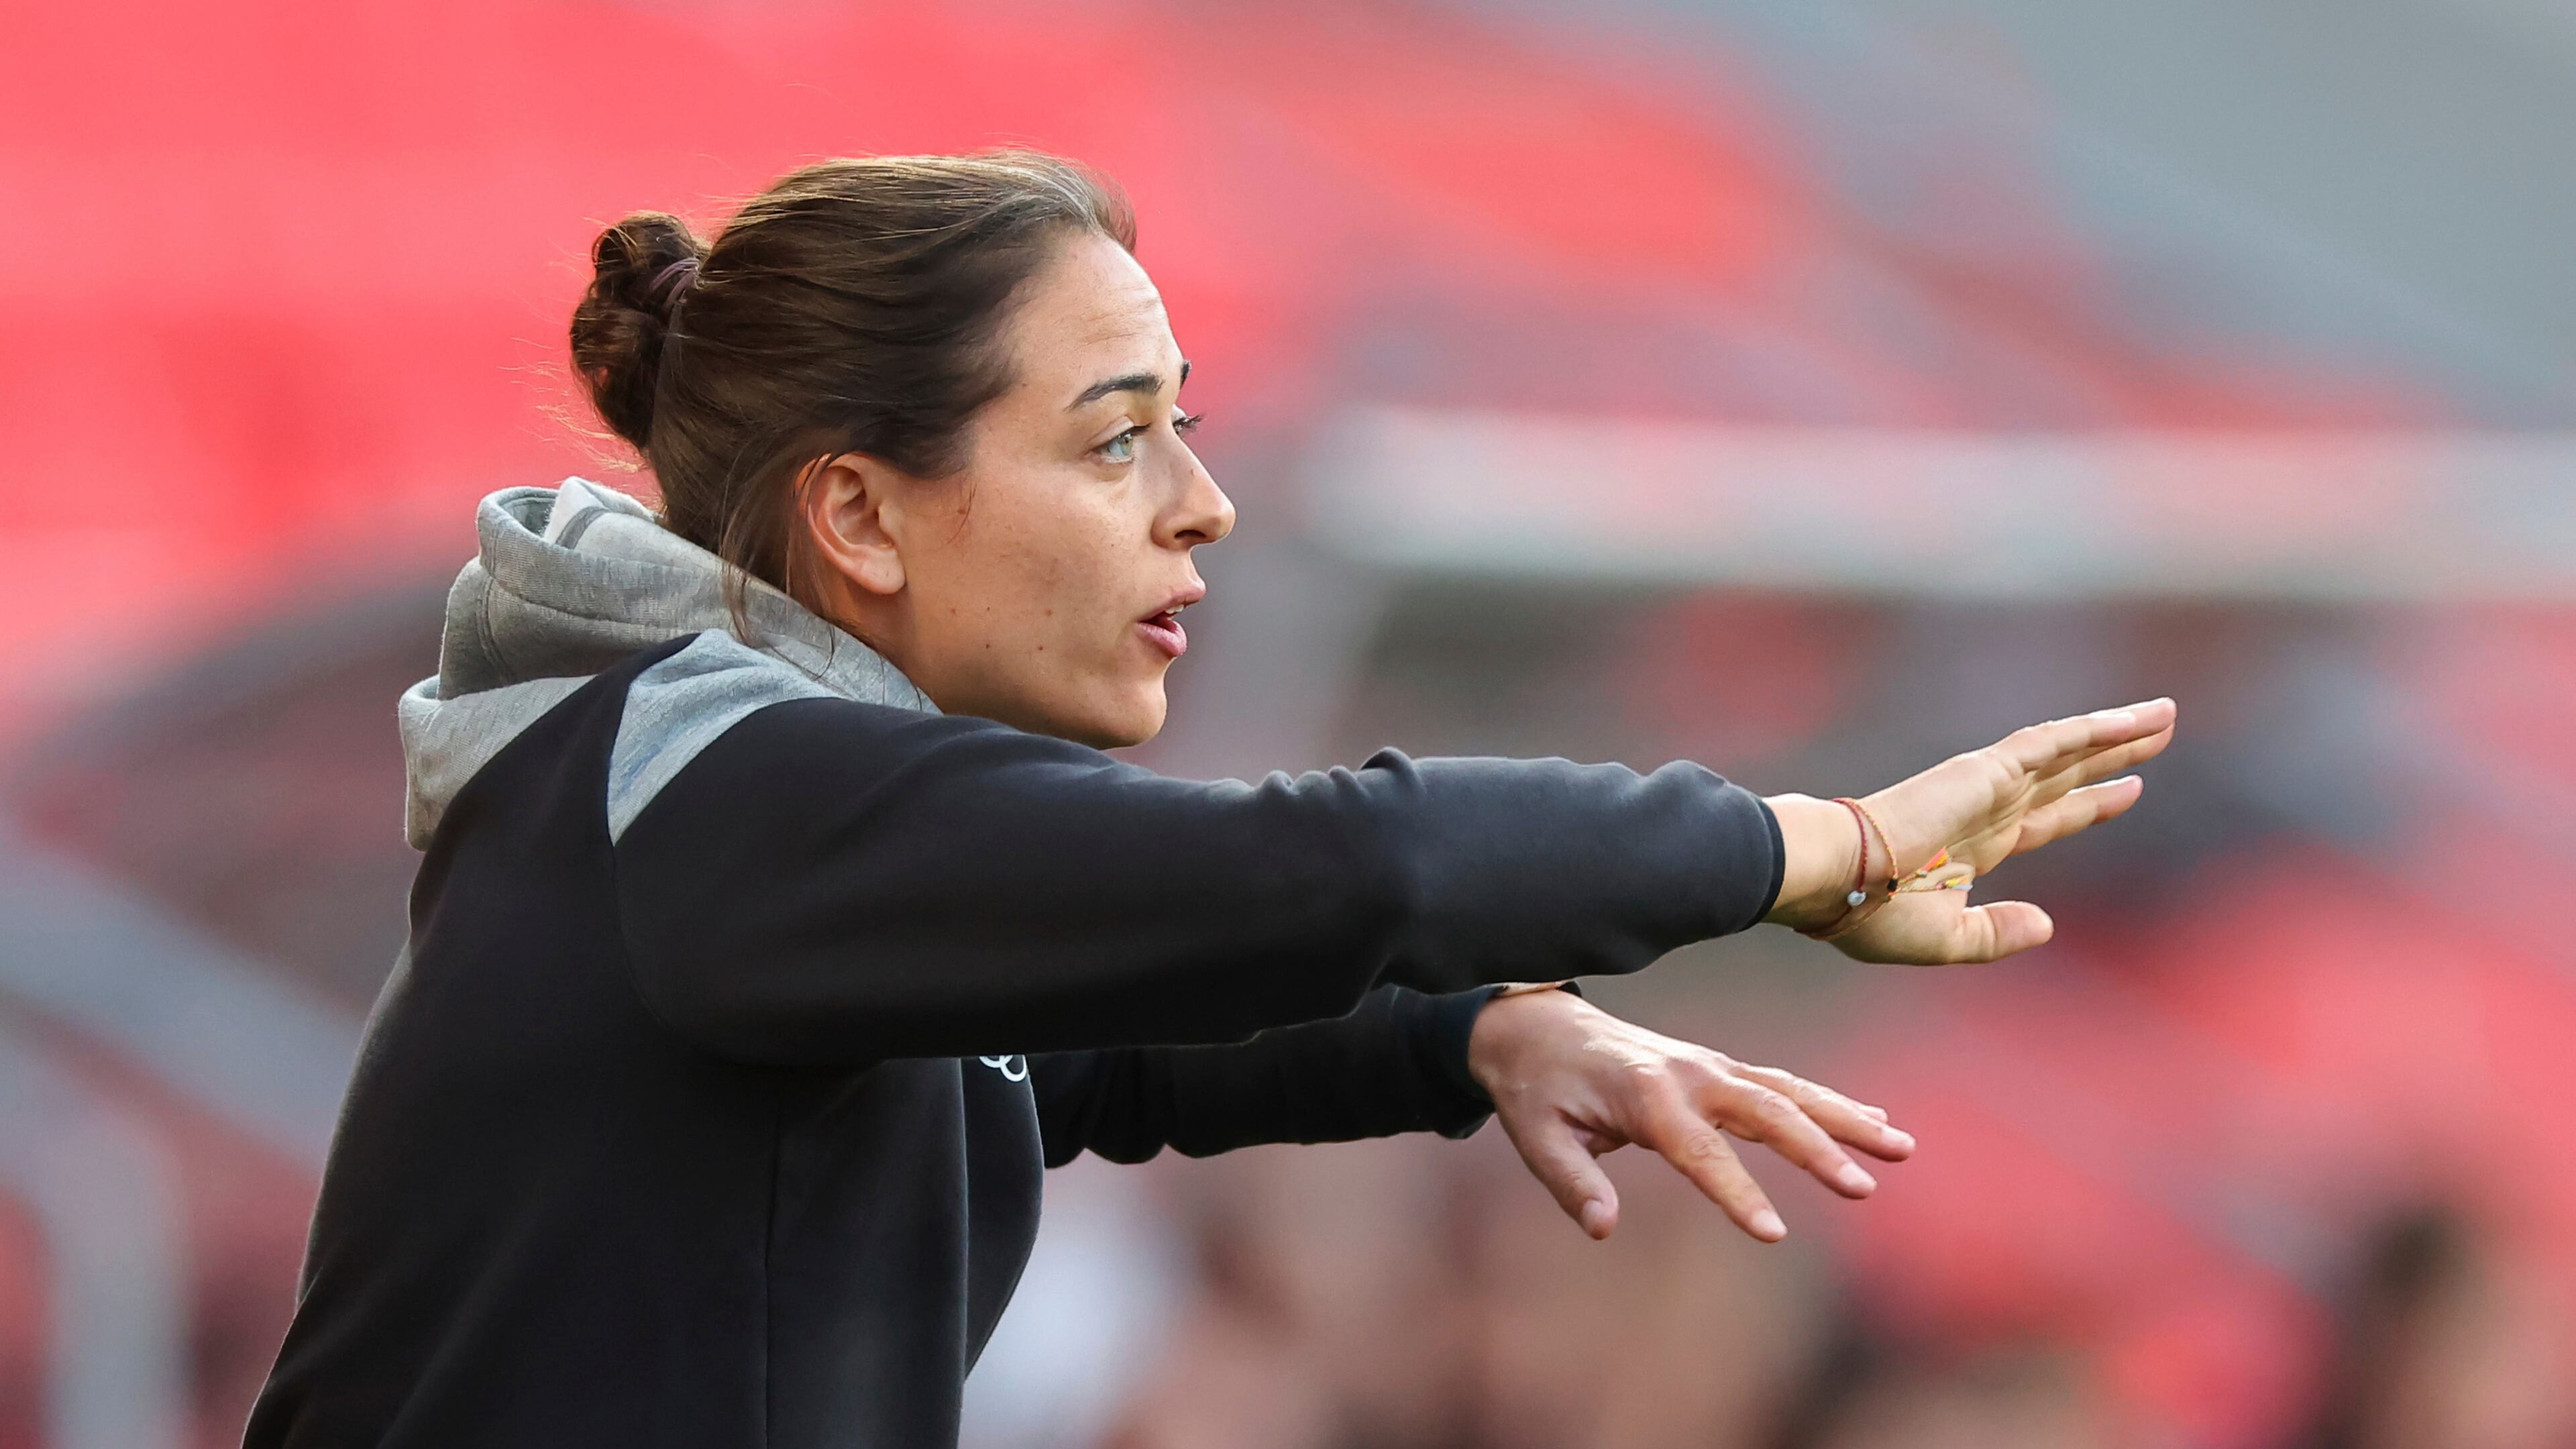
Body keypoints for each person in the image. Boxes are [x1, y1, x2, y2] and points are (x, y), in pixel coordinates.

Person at [241, 152, 2174, 1449]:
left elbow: (1082, 1060)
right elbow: (1363, 862)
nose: (1201, 504)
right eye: (1114, 440)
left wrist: (1473, 1035)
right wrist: (1813, 845)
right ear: (858, 515)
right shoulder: (728, 786)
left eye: (1188, 426)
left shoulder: (767, 813)